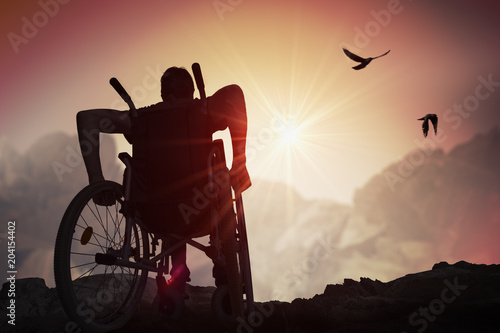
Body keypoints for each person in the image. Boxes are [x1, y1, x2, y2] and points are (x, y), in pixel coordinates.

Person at [76, 66, 251, 294]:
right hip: (202, 209)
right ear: (191, 91)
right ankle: (226, 275)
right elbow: (235, 94)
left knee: (165, 197)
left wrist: (96, 180)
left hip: (152, 215)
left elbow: (87, 119)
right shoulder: (202, 110)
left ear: (162, 93)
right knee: (212, 173)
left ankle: (176, 276)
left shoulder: (140, 118)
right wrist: (240, 161)